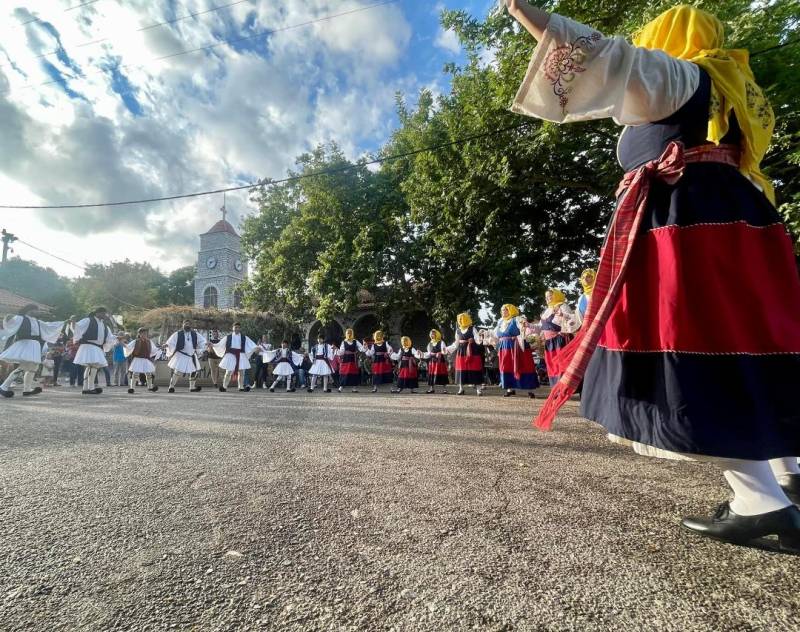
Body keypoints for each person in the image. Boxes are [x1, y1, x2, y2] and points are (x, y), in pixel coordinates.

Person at [506, 2, 800, 550]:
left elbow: (607, 58)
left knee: (696, 349)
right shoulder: (732, 88)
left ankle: (762, 503)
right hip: (735, 223)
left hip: (687, 226)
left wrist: (523, 10)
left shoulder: (684, 76)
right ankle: (789, 475)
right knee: (748, 343)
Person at [0, 304, 63, 398]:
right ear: (30, 310)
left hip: (34, 345)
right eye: (37, 310)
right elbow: (9, 323)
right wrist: (8, 317)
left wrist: (64, 322)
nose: (38, 312)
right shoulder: (20, 318)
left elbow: (49, 326)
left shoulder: (37, 322)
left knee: (33, 368)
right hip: (26, 344)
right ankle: (4, 386)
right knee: (24, 367)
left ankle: (27, 389)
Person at [490, 304, 539, 398]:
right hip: (504, 347)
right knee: (506, 367)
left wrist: (522, 328)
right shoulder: (500, 322)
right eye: (502, 310)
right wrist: (485, 334)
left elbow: (525, 329)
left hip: (517, 346)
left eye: (505, 310)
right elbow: (495, 334)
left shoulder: (517, 319)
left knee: (523, 365)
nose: (503, 312)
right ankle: (510, 389)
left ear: (510, 310)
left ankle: (529, 390)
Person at [72, 307, 117, 396]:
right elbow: (77, 327)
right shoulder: (88, 320)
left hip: (97, 348)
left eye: (105, 313)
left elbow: (110, 337)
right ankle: (90, 388)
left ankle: (86, 388)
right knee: (92, 366)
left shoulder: (104, 325)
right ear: (97, 313)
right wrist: (73, 322)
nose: (104, 315)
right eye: (103, 313)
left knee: (91, 366)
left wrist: (117, 338)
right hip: (89, 346)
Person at [539, 289, 577, 386]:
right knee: (553, 366)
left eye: (550, 296)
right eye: (546, 297)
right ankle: (556, 387)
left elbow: (573, 319)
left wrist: (562, 315)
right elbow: (540, 327)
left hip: (560, 340)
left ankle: (566, 386)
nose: (547, 298)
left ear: (556, 295)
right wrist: (529, 326)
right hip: (549, 342)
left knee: (563, 364)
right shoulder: (546, 310)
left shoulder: (562, 306)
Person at [213, 322, 258, 393]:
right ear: (233, 328)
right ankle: (224, 387)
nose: (237, 329)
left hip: (241, 355)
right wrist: (213, 345)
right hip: (231, 355)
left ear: (240, 328)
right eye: (235, 327)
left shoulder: (244, 337)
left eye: (238, 327)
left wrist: (257, 347)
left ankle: (241, 387)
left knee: (241, 372)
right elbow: (220, 344)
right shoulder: (228, 337)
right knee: (228, 372)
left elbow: (251, 344)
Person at [448, 313, 484, 396]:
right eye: (460, 319)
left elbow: (478, 339)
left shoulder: (472, 328)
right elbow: (456, 343)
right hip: (461, 352)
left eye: (462, 319)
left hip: (472, 351)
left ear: (467, 319)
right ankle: (461, 389)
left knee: (475, 369)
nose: (461, 320)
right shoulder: (458, 330)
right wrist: (448, 349)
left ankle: (478, 390)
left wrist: (479, 339)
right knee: (461, 370)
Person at [165, 320, 206, 393]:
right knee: (177, 372)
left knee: (194, 371)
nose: (187, 325)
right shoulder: (178, 334)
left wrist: (206, 343)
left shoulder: (195, 334)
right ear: (183, 325)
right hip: (181, 355)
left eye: (189, 324)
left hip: (191, 356)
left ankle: (192, 387)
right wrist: (166, 345)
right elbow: (171, 342)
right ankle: (171, 387)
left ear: (191, 325)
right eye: (186, 324)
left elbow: (202, 341)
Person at [124, 328, 160, 394]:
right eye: (143, 333)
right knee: (135, 374)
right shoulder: (136, 341)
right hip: (138, 359)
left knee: (149, 374)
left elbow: (154, 349)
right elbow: (128, 347)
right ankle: (132, 388)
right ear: (139, 334)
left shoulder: (149, 341)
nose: (145, 335)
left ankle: (150, 387)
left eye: (145, 333)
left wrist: (160, 348)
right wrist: (123, 344)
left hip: (146, 359)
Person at [423, 329, 450, 394]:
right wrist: (423, 354)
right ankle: (431, 389)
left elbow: (444, 351)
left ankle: (445, 389)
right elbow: (429, 352)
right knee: (432, 374)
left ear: (437, 334)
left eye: (433, 334)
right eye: (431, 334)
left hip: (440, 360)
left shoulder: (441, 342)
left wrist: (440, 353)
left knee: (442, 374)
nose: (432, 335)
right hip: (432, 361)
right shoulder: (430, 343)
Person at [337, 328, 364, 393]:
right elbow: (341, 352)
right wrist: (336, 350)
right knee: (344, 373)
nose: (349, 334)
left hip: (353, 359)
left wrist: (365, 346)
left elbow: (361, 349)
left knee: (353, 373)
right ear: (346, 334)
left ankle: (354, 388)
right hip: (346, 359)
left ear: (352, 334)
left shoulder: (355, 341)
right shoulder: (344, 342)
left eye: (350, 333)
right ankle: (341, 387)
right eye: (348, 333)